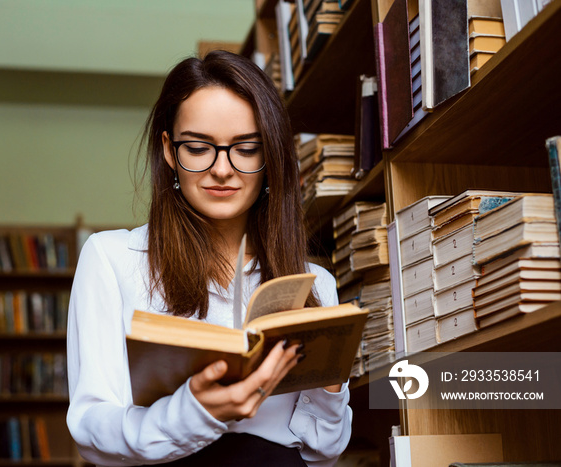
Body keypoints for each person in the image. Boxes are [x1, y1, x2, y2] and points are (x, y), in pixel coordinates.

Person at [66, 50, 352, 466]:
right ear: (169, 150)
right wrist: (195, 412)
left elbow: (322, 452)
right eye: (199, 148)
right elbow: (92, 431)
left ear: (270, 157)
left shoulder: (315, 283)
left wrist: (330, 387)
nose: (222, 169)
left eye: (246, 148)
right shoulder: (111, 259)